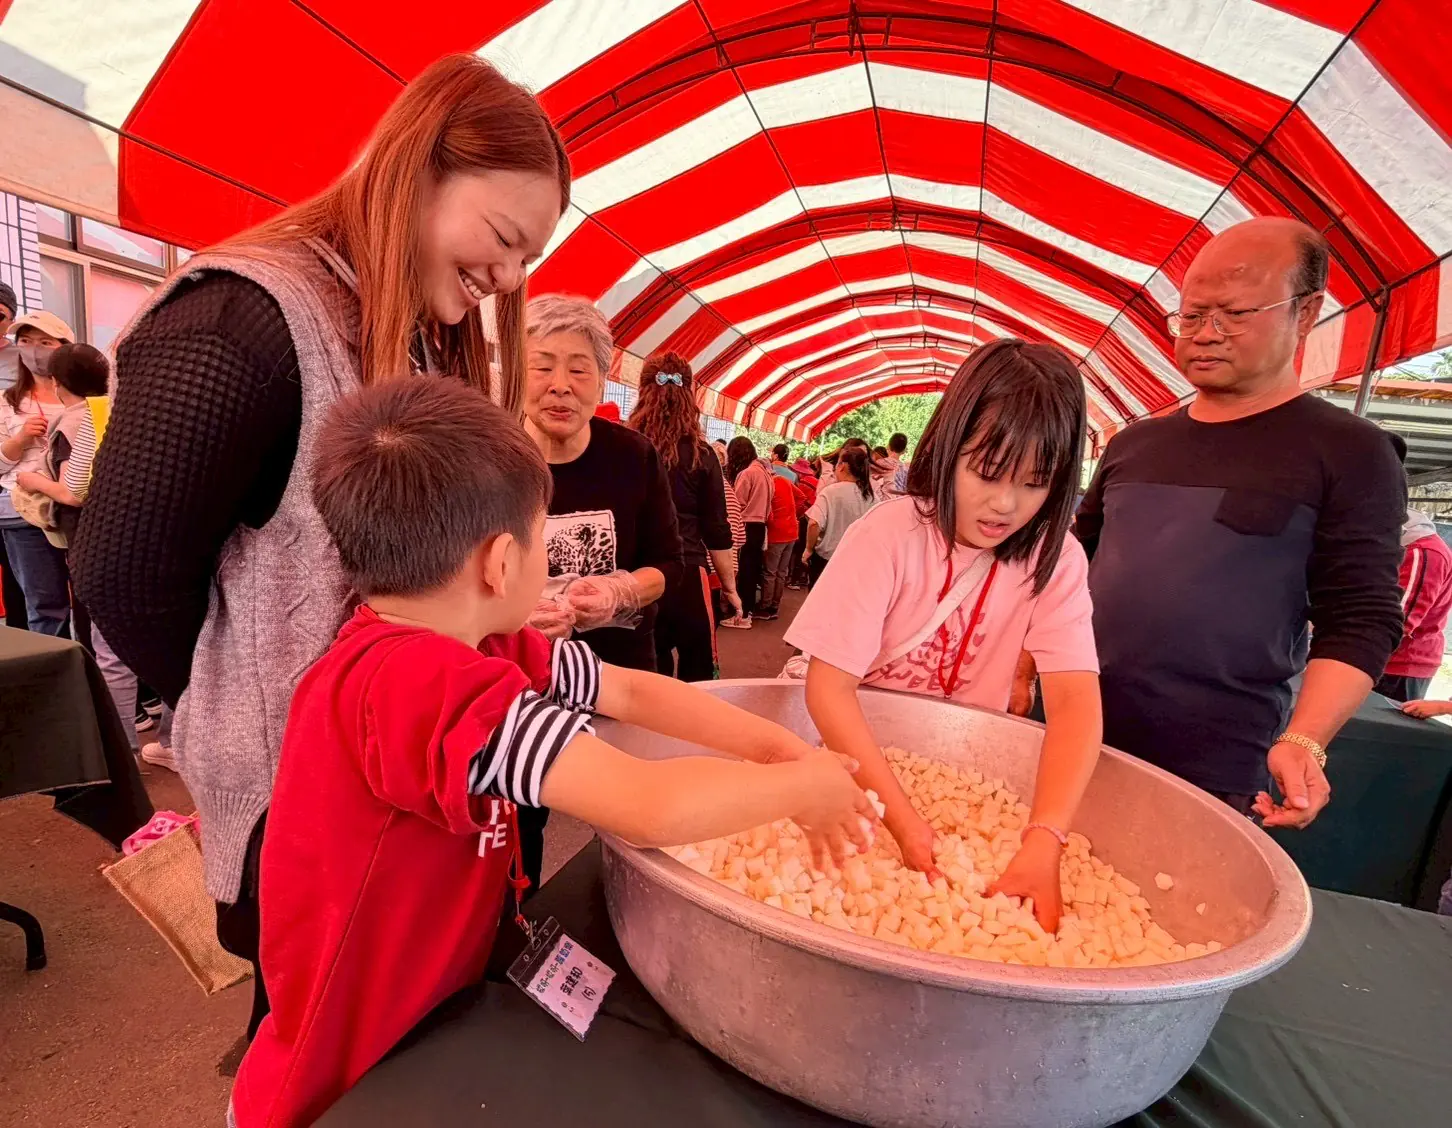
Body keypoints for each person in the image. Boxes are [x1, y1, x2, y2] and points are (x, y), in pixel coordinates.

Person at [71, 54, 571, 1046]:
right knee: (320, 1048)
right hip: (305, 816)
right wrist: (245, 698)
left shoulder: (409, 327)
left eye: (529, 258)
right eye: (504, 239)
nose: (510, 279)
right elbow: (121, 572)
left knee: (407, 1039)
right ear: (418, 173)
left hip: (412, 795)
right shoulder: (240, 323)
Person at [230, 378, 870, 1128]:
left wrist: (780, 750)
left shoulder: (480, 642)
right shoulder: (414, 684)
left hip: (440, 1009)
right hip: (351, 1069)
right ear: (502, 562)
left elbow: (625, 691)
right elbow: (648, 804)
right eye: (546, 536)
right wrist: (804, 791)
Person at [1075, 217, 1404, 828]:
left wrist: (1305, 739)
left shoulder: (1351, 452)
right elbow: (1068, 566)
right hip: (1074, 730)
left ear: (1305, 314)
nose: (1207, 334)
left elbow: (1362, 616)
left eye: (1234, 314)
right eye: (1192, 316)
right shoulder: (1134, 445)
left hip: (1216, 766)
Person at [786, 339, 1101, 931]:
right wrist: (901, 821)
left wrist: (1045, 837)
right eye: (986, 472)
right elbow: (828, 691)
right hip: (853, 763)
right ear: (950, 446)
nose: (1004, 504)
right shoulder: (890, 535)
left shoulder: (1056, 560)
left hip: (963, 772)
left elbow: (1076, 704)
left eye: (1035, 483)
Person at [521, 294, 683, 885]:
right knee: (520, 820)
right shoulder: (492, 458)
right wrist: (514, 615)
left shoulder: (633, 457)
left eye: (578, 369)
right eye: (542, 366)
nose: (560, 385)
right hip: (524, 678)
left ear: (601, 379)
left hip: (618, 675)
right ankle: (520, 917)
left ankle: (634, 905)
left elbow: (669, 564)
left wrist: (618, 594)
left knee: (633, 815)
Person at [14, 344, 142, 754]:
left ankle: (117, 750)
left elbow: (74, 491)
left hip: (95, 543)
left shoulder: (79, 420)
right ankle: (166, 740)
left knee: (106, 648)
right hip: (138, 539)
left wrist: (33, 481)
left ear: (57, 383)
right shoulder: (126, 409)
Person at [628, 351, 739, 678]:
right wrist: (730, 587)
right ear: (689, 396)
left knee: (646, 672)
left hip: (635, 577)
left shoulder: (626, 449)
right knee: (699, 672)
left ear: (643, 391)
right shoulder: (703, 456)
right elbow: (717, 530)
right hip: (689, 575)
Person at [0, 310, 77, 635]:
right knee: (45, 605)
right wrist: (21, 438)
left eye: (45, 342)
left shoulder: (85, 399)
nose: (34, 350)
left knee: (92, 600)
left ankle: (91, 664)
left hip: (78, 510)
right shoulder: (7, 400)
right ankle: (53, 665)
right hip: (25, 514)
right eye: (26, 341)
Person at [801, 445, 875, 586]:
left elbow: (814, 523)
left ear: (842, 466)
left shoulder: (830, 492)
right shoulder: (872, 497)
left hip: (826, 559)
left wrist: (809, 549)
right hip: (855, 562)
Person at [726, 436, 771, 620]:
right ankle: (748, 609)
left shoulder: (747, 473)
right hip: (760, 526)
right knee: (752, 569)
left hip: (746, 525)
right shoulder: (765, 472)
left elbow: (737, 502)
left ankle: (741, 613)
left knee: (743, 569)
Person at [757, 464, 802, 621]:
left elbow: (768, 514)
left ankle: (765, 607)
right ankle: (775, 605)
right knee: (781, 571)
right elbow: (802, 497)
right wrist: (792, 513)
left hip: (776, 533)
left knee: (770, 572)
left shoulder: (769, 485)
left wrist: (772, 520)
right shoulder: (784, 480)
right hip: (792, 532)